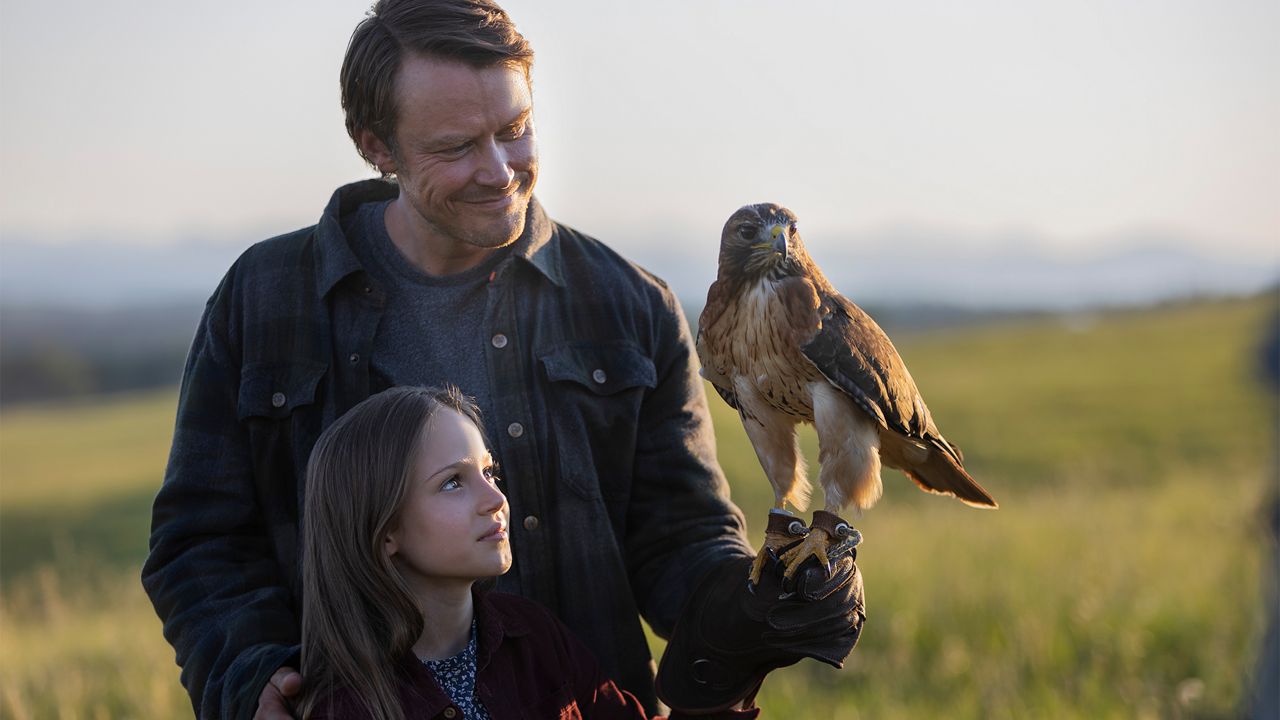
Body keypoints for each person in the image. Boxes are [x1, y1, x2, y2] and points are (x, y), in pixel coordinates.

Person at [141, 1, 863, 718]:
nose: (500, 170)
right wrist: (251, 677)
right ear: (377, 146)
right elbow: (198, 542)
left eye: (515, 131)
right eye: (456, 148)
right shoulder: (264, 298)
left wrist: (750, 604)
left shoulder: (627, 304)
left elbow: (681, 536)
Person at [299, 384, 757, 719]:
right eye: (453, 482)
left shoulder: (536, 638)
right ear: (385, 531)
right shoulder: (344, 707)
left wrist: (739, 643)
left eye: (489, 472)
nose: (496, 499)